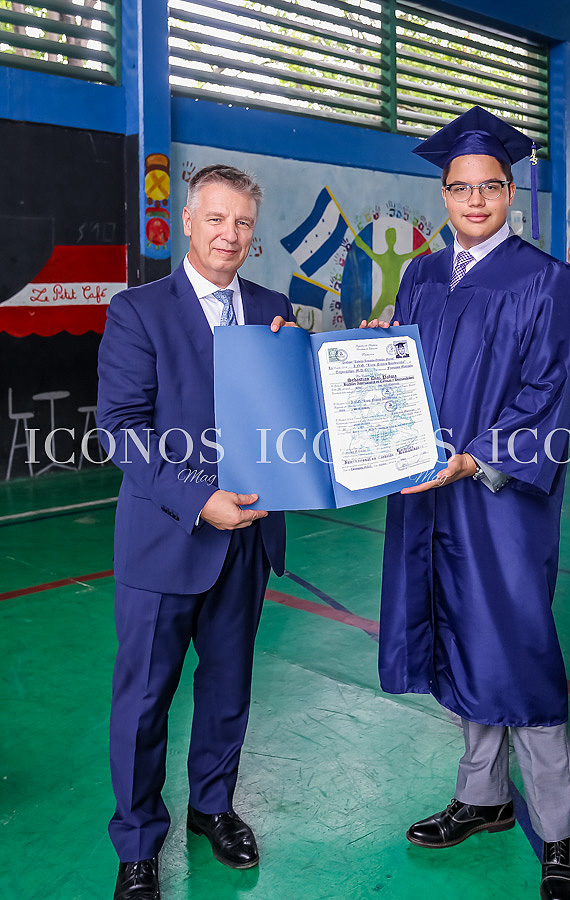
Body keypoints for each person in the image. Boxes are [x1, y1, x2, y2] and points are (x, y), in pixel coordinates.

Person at [368, 106, 570, 899]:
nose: (474, 200)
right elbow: (400, 374)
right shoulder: (422, 276)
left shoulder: (546, 280)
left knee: (516, 649)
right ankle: (483, 797)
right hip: (426, 492)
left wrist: (475, 459)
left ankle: (558, 833)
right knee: (457, 636)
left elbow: (548, 392)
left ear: (509, 191)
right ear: (444, 194)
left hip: (498, 500)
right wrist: (372, 351)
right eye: (460, 188)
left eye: (489, 186)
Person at [97, 164, 295, 900]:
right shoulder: (139, 311)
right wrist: (199, 498)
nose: (229, 235)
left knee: (227, 689)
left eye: (242, 223)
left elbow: (295, 409)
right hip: (165, 540)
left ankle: (213, 808)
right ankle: (138, 842)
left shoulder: (273, 309)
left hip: (248, 537)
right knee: (144, 701)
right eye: (216, 219)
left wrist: (342, 358)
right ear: (187, 221)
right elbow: (121, 428)